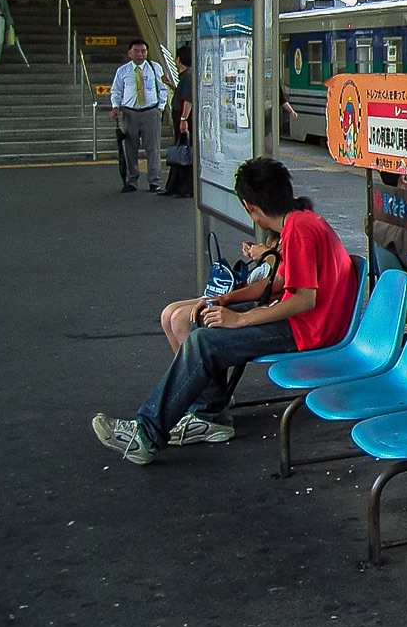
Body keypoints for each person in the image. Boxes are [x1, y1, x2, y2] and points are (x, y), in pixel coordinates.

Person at [92, 157, 357, 465]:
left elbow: (302, 300)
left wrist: (240, 319)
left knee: (204, 341)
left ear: (250, 207)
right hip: (311, 323)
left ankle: (146, 434)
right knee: (207, 320)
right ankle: (209, 415)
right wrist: (227, 301)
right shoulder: (301, 221)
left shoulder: (299, 229)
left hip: (309, 331)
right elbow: (278, 282)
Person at [158, 232, 283, 353]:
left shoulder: (296, 233)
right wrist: (257, 254)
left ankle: (196, 371)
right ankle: (188, 370)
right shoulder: (278, 233)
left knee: (180, 318)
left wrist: (267, 255)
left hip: (262, 301)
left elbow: (285, 277)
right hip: (247, 290)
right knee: (168, 313)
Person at [109, 39, 169, 193]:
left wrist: (160, 108)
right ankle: (131, 181)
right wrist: (115, 106)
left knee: (153, 149)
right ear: (129, 53)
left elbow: (162, 89)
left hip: (151, 112)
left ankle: (155, 181)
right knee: (130, 148)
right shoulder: (123, 71)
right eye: (136, 51)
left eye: (143, 51)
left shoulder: (155, 68)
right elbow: (116, 91)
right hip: (130, 113)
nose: (140, 54)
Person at [162, 44, 194, 197]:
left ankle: (183, 187)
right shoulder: (186, 76)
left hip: (182, 116)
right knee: (181, 149)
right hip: (181, 115)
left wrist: (183, 119)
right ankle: (175, 185)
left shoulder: (187, 76)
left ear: (179, 59)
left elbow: (188, 100)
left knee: (184, 151)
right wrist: (170, 84)